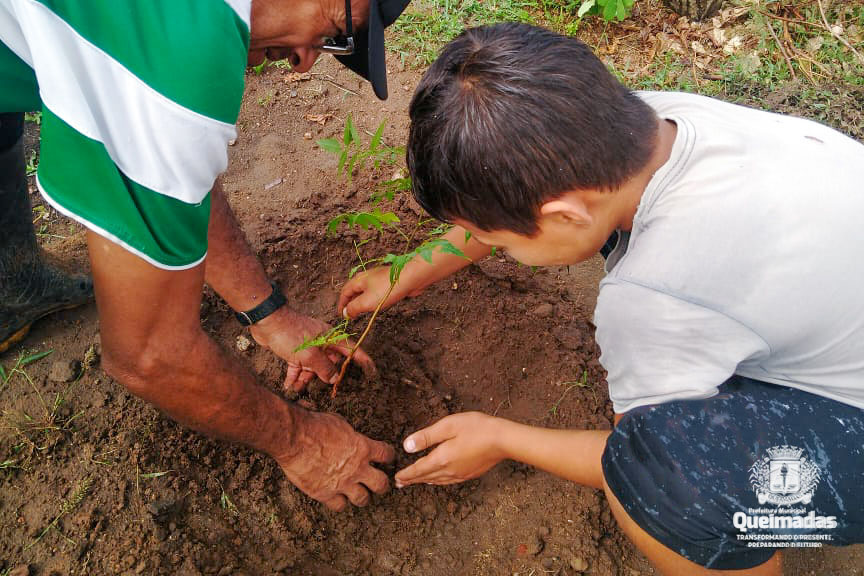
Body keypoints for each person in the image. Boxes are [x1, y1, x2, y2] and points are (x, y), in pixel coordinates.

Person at [338, 22, 864, 573]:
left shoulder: (652, 299)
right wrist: (409, 273)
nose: (496, 248)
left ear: (566, 215)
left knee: (656, 485)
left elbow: (637, 454)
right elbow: (516, 197)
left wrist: (500, 438)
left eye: (499, 243)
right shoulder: (645, 122)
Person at [0, 0, 413, 512]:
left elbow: (174, 175)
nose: (305, 61)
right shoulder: (178, 59)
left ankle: (10, 288)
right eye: (333, 31)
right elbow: (148, 356)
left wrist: (270, 315)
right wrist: (301, 442)